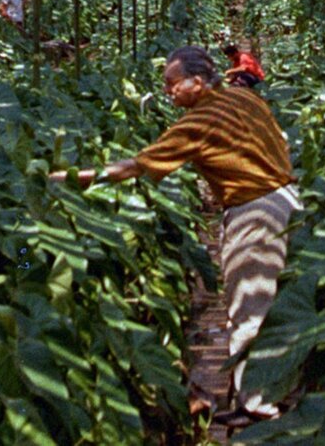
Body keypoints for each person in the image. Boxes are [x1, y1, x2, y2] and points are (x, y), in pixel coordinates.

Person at [49, 46, 300, 424]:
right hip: (288, 202)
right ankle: (282, 393)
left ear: (197, 82)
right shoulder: (244, 97)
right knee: (280, 306)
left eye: (171, 85)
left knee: (250, 308)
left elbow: (135, 167)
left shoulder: (198, 122)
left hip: (256, 213)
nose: (167, 92)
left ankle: (260, 407)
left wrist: (66, 178)